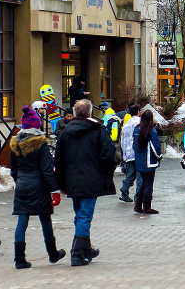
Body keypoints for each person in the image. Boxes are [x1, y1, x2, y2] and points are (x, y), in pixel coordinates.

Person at [54, 98, 117, 266]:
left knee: (80, 215)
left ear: (74, 113)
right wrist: (105, 174)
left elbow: (58, 159)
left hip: (72, 180)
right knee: (84, 216)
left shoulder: (65, 132)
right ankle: (78, 252)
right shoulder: (97, 130)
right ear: (89, 112)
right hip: (91, 179)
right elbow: (109, 155)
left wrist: (61, 182)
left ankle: (85, 248)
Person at [10, 106, 65, 269]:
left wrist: (19, 181)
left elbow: (13, 170)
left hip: (22, 185)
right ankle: (52, 253)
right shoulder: (41, 144)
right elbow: (47, 170)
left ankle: (19, 259)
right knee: (45, 219)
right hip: (39, 187)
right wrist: (54, 190)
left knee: (22, 222)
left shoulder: (15, 144)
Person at [133, 109, 162, 214]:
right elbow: (155, 147)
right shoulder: (152, 131)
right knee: (148, 184)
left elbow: (134, 146)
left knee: (142, 184)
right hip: (150, 162)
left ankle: (138, 205)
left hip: (139, 162)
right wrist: (159, 156)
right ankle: (146, 206)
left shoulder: (136, 130)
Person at [118, 104, 142, 202]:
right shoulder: (140, 122)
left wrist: (124, 153)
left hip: (128, 153)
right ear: (138, 112)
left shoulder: (126, 124)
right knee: (140, 174)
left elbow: (122, 140)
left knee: (131, 174)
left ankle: (124, 190)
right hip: (138, 152)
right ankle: (139, 196)